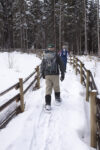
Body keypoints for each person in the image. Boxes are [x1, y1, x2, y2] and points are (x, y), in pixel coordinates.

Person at [41, 44, 65, 111]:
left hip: (47, 75)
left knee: (48, 89)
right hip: (55, 74)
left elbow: (42, 65)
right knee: (56, 87)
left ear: (48, 48)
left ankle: (48, 104)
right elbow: (61, 64)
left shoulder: (44, 55)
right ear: (53, 48)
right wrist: (62, 74)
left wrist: (42, 73)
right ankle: (57, 99)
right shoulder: (56, 55)